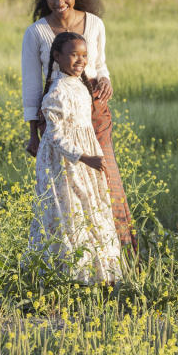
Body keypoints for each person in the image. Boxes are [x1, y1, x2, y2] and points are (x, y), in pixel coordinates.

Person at [22, 0, 136, 256]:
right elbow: (32, 86)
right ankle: (69, 258)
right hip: (58, 120)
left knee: (105, 180)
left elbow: (99, 66)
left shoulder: (94, 24)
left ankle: (119, 255)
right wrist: (33, 133)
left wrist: (105, 80)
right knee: (66, 190)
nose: (59, 2)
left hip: (95, 115)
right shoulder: (36, 33)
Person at [29, 31, 123, 284]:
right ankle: (65, 275)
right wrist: (83, 157)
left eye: (84, 55)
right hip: (64, 163)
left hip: (84, 158)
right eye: (74, 55)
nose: (80, 60)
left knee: (89, 208)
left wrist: (91, 154)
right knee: (67, 212)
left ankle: (96, 273)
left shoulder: (79, 85)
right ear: (57, 57)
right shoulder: (57, 91)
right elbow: (55, 135)